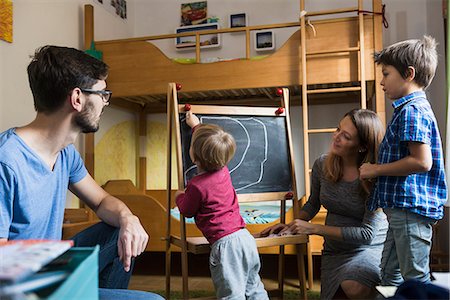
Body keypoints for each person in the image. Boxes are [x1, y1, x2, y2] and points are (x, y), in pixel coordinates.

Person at [0, 45, 162, 299]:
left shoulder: (65, 154)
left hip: (50, 268)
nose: (105, 102)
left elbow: (102, 201)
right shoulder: (6, 161)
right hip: (20, 286)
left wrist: (128, 218)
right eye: (102, 94)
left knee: (119, 227)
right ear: (77, 98)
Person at [260, 109, 388, 299]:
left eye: (345, 136)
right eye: (338, 129)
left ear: (362, 146)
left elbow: (367, 235)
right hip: (335, 251)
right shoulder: (322, 165)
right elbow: (313, 204)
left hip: (369, 249)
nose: (336, 137)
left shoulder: (373, 177)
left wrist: (314, 229)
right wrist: (292, 225)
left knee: (354, 287)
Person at [359, 36, 448, 286]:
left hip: (410, 210)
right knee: (389, 274)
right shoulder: (407, 109)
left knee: (415, 279)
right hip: (401, 210)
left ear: (408, 73)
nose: (381, 81)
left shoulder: (412, 111)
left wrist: (376, 170)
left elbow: (421, 162)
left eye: (386, 74)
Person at [175, 111, 269, 300]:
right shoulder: (224, 171)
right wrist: (196, 126)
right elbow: (208, 145)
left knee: (231, 295)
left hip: (226, 247)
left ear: (194, 157)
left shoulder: (196, 185)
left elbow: (186, 210)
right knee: (254, 288)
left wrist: (178, 196)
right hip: (245, 239)